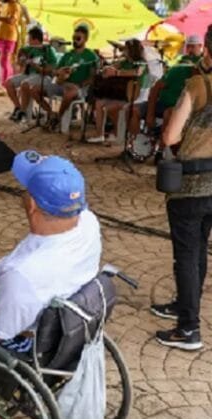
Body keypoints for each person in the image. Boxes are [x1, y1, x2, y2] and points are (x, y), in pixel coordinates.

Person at [0, 151, 101, 349]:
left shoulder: (23, 276)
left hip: (27, 341)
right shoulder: (89, 223)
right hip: (68, 326)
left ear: (32, 205)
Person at [152, 25, 212, 351]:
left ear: (206, 49)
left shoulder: (197, 84)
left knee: (187, 255)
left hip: (191, 184)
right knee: (199, 248)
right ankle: (184, 306)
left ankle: (188, 328)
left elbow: (170, 137)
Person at [129, 34, 204, 142]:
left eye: (193, 46)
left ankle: (161, 150)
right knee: (133, 109)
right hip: (163, 103)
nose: (190, 49)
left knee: (169, 113)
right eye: (189, 46)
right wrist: (150, 114)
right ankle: (135, 147)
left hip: (183, 107)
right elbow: (156, 88)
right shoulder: (178, 65)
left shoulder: (202, 65)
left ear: (200, 46)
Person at [33, 24, 98, 130]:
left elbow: (93, 76)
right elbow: (55, 71)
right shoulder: (68, 54)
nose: (75, 41)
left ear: (85, 39)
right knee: (35, 89)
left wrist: (81, 84)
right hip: (62, 84)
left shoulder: (90, 56)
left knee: (70, 92)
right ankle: (51, 114)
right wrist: (59, 72)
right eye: (73, 38)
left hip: (79, 88)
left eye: (78, 38)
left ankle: (58, 117)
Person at [87, 39, 147, 144]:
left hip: (134, 96)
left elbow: (137, 72)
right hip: (120, 94)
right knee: (99, 103)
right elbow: (111, 67)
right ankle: (99, 134)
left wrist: (117, 73)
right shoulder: (124, 61)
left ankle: (117, 133)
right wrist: (107, 70)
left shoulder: (141, 62)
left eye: (127, 49)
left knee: (110, 108)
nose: (125, 51)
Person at [5, 26, 56, 122]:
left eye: (29, 38)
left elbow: (51, 68)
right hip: (28, 74)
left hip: (42, 76)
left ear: (35, 40)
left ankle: (24, 113)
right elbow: (20, 63)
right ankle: (18, 108)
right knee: (8, 83)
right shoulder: (28, 49)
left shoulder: (48, 50)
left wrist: (36, 66)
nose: (28, 41)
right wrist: (20, 59)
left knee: (25, 83)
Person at [0, 0, 21, 86]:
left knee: (4, 61)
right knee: (3, 62)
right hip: (1, 36)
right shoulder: (2, 4)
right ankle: (5, 83)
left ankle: (6, 84)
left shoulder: (15, 6)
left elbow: (11, 20)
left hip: (10, 37)